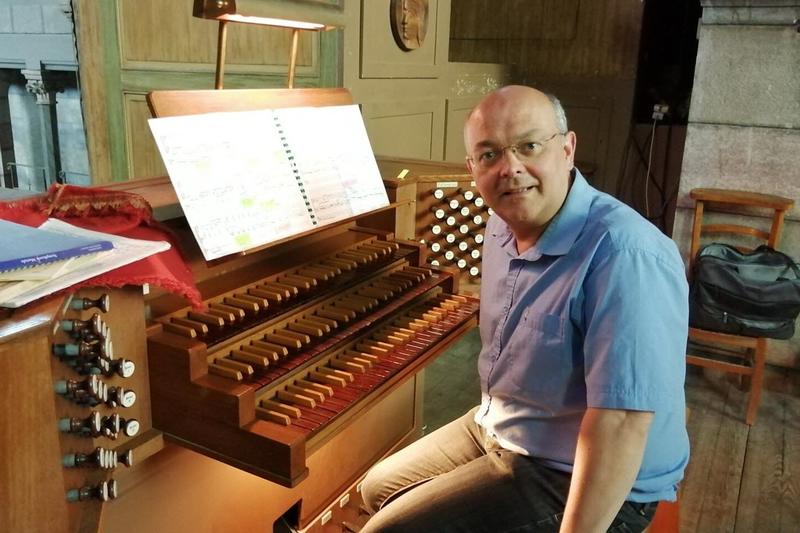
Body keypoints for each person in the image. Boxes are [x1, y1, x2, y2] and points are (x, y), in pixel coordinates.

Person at [359, 85, 690, 533]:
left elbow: (623, 423)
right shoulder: (500, 225)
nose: (510, 168)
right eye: (490, 154)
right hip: (506, 425)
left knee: (387, 530)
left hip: (581, 471)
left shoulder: (627, 254)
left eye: (529, 146)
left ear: (568, 149)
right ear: (472, 168)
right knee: (376, 489)